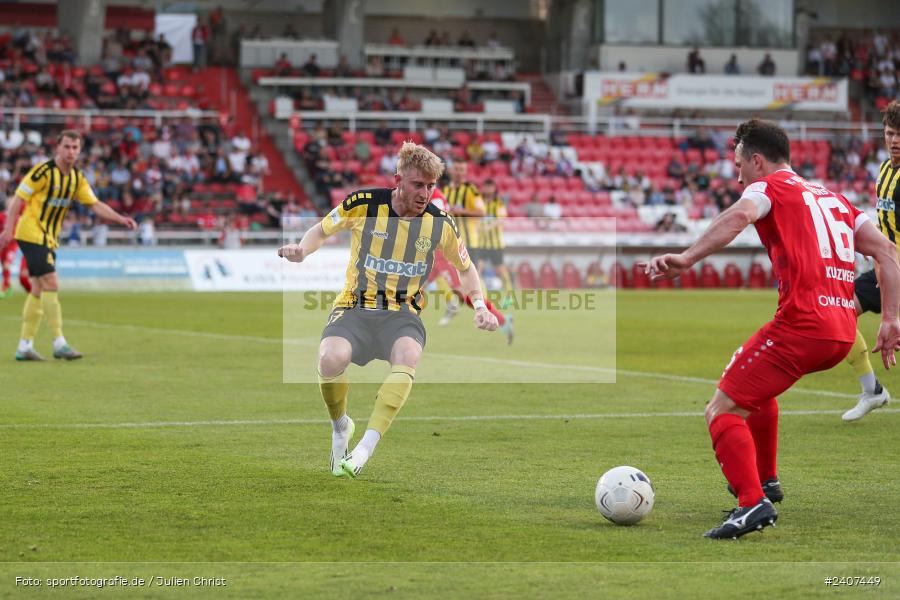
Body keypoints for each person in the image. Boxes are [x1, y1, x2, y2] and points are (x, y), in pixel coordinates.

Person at [640, 119, 900, 539]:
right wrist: (890, 319)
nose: (738, 174)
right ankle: (767, 481)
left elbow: (740, 215)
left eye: (740, 163)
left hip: (802, 326)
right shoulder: (834, 199)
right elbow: (887, 251)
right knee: (755, 392)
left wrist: (688, 257)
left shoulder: (766, 188)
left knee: (721, 410)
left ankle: (751, 504)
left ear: (757, 160)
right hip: (841, 332)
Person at [277, 142, 499, 479]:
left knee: (408, 354)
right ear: (398, 179)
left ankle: (365, 448)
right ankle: (341, 427)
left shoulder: (440, 223)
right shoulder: (363, 204)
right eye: (417, 185)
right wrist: (302, 250)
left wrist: (480, 305)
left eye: (430, 186)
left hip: (402, 313)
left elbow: (465, 267)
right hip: (355, 305)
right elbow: (322, 230)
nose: (425, 193)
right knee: (330, 359)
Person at [0, 130, 138, 361]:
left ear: (80, 150)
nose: (70, 152)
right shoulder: (43, 172)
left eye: (75, 148)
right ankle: (59, 342)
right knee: (51, 282)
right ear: (57, 148)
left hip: (49, 237)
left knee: (37, 288)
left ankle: (24, 346)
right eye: (66, 147)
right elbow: (19, 199)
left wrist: (120, 218)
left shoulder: (77, 178)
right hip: (31, 233)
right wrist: (8, 230)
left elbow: (94, 204)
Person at [842, 100, 900, 421]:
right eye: (890, 133)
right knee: (838, 312)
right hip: (885, 268)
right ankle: (873, 390)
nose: (896, 140)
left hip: (894, 269)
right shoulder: (884, 170)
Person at [428, 187, 513, 342]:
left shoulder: (434, 197)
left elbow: (439, 224)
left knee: (463, 293)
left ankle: (501, 320)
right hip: (429, 252)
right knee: (412, 288)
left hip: (439, 252)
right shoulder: (427, 194)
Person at [441, 161, 485, 322]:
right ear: (451, 170)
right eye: (457, 169)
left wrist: (462, 211)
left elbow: (481, 212)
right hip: (449, 242)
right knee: (448, 276)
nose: (459, 172)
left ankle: (482, 308)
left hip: (469, 240)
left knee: (472, 275)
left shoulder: (471, 190)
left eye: (462, 169)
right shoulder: (444, 190)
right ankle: (454, 305)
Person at [477, 179, 516, 309]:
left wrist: (487, 227)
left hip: (495, 244)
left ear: (494, 189)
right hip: (481, 244)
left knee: (501, 271)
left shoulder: (498, 203)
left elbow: (500, 219)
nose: (488, 190)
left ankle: (509, 297)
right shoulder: (479, 202)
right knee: (477, 270)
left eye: (490, 187)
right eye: (486, 187)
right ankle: (484, 298)